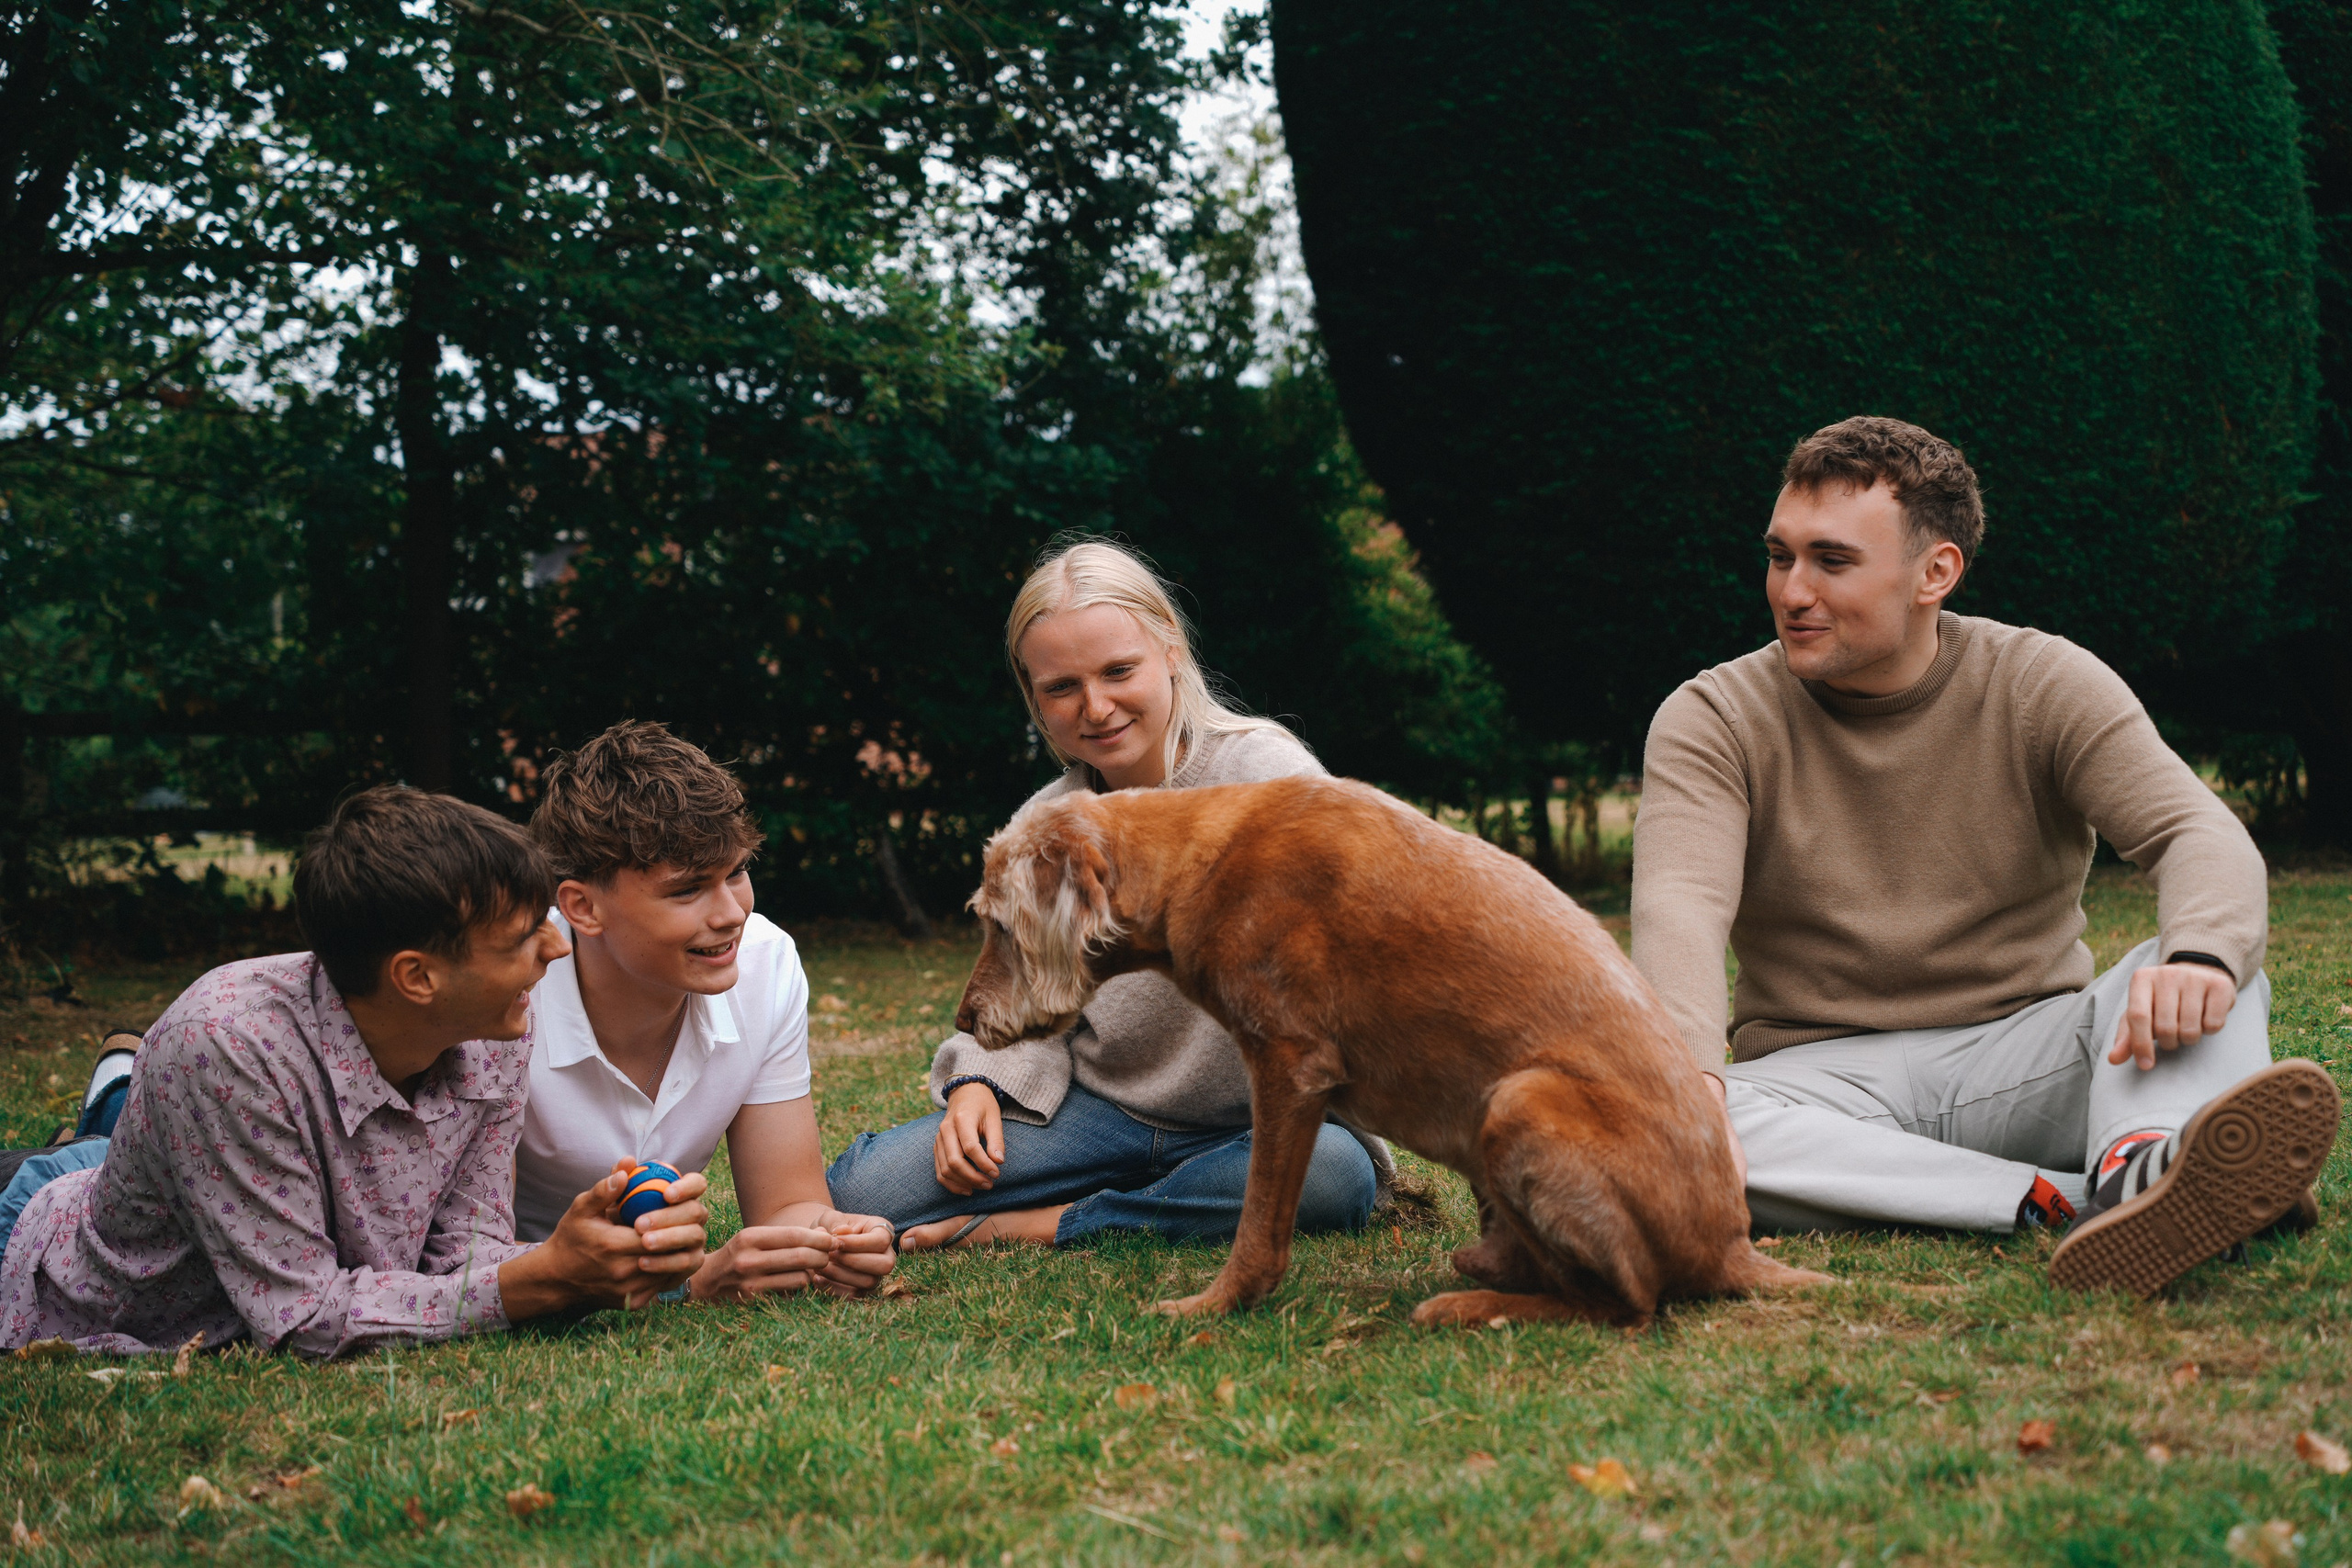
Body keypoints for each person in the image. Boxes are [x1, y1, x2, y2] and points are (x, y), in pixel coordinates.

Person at [1631, 415, 2341, 1294]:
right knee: (1668, 1123)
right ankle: (2094, 1201)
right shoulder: (1713, 716)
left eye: (1832, 560)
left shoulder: (2040, 681)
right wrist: (1691, 1082)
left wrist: (2199, 956)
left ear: (1936, 573)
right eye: (1781, 556)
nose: (1792, 590)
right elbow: (1681, 904)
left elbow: (2195, 831)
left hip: (2031, 1056)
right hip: (1819, 1083)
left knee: (2206, 971)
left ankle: (2144, 1155)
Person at [0, 785, 713, 1356]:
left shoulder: (493, 1024)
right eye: (525, 936)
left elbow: (463, 1261)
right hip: (43, 1234)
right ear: (418, 977)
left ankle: (115, 1097)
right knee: (94, 1144)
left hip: (196, 1156)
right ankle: (115, 1093)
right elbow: (301, 1315)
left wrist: (595, 1254)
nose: (556, 949)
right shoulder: (226, 1047)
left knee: (117, 1134)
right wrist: (543, 1279)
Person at [827, 538, 1387, 1252]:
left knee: (1333, 1176)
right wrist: (979, 1084)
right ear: (1033, 695)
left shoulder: (1268, 775)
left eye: (1119, 670)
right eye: (1061, 686)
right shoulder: (1047, 820)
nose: (1095, 707)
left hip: (1250, 1120)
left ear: (1171, 648)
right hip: (1101, 1113)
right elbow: (1025, 985)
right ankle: (1158, 1198)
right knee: (862, 1190)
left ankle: (1048, 1222)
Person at [519, 720, 895, 1301]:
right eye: (686, 890)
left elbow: (786, 1202)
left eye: (736, 872)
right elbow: (459, 1257)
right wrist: (690, 1283)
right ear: (583, 908)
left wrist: (829, 1240)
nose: (731, 914)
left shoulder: (764, 963)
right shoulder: (509, 990)